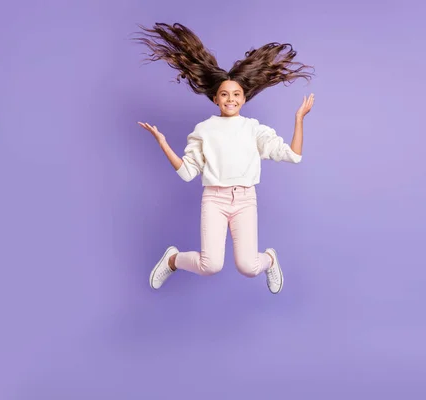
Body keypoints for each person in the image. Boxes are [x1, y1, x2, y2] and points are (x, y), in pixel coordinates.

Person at [134, 23, 315, 294]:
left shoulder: (254, 129)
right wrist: (163, 143)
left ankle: (270, 259)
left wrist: (299, 119)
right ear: (216, 99)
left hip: (245, 200)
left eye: (236, 94)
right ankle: (172, 260)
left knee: (249, 267)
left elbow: (293, 156)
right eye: (224, 94)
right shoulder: (204, 130)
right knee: (210, 265)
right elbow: (187, 173)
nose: (230, 99)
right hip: (214, 199)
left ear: (244, 98)